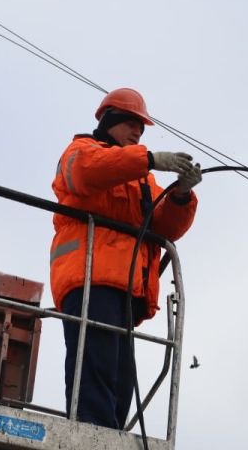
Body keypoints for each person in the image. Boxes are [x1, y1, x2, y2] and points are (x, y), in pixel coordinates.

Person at [50, 88, 201, 429]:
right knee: (96, 363)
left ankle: (108, 433)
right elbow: (89, 173)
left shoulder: (141, 179)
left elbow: (165, 226)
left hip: (124, 288)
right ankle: (91, 430)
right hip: (91, 278)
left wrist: (181, 193)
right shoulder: (80, 152)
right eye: (132, 124)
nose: (138, 132)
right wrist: (148, 159)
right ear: (110, 121)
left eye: (142, 128)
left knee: (119, 376)